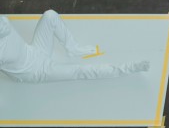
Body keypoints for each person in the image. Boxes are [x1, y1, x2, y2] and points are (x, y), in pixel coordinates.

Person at [0, 10, 149, 84]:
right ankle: (129, 68)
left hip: (35, 51)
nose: (5, 23)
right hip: (35, 72)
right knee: (80, 71)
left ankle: (73, 48)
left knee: (50, 15)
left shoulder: (3, 23)